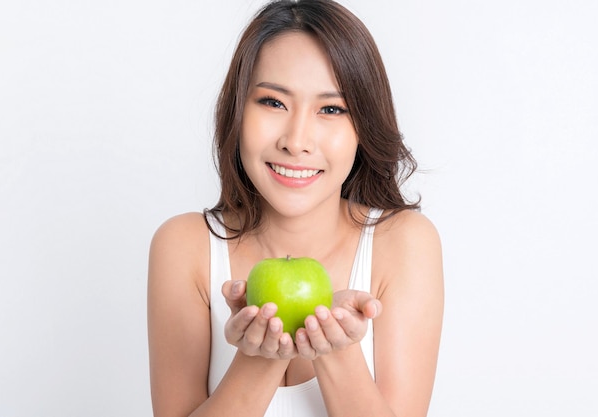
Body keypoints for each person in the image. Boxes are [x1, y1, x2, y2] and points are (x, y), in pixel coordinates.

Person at [147, 1, 444, 416]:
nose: (297, 140)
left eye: (331, 109)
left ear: (364, 127)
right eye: (272, 102)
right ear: (237, 109)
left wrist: (337, 353)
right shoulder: (184, 245)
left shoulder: (405, 243)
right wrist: (260, 357)